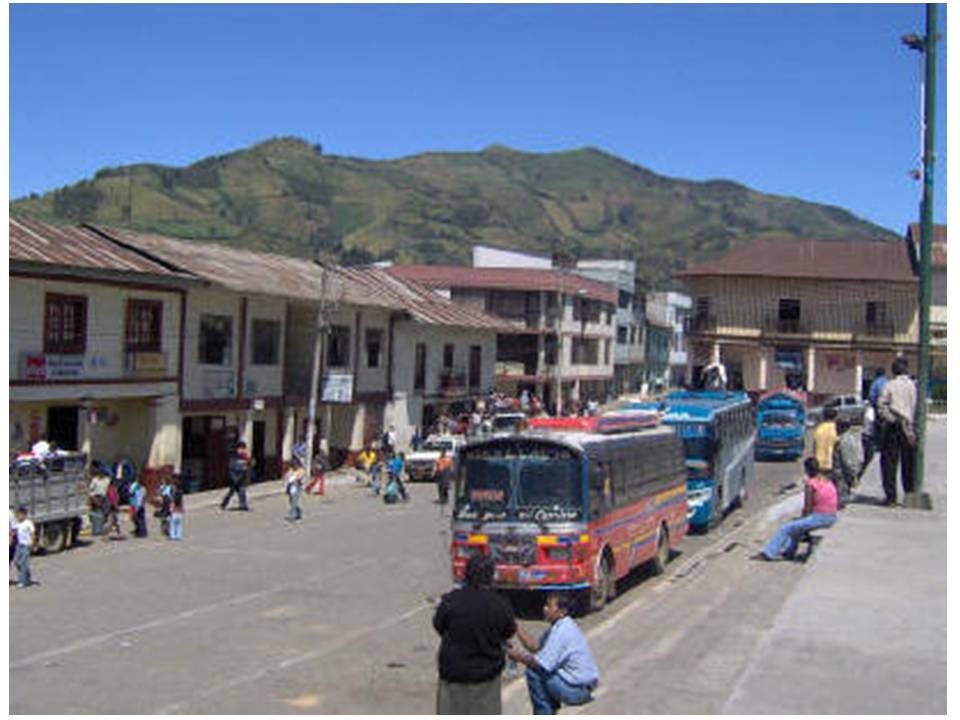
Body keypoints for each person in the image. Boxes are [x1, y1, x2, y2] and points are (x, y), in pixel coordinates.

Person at [432, 554, 517, 714]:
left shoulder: (451, 600)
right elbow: (508, 631)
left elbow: (439, 625)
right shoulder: (500, 605)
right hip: (486, 678)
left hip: (453, 675)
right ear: (491, 576)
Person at [507, 592, 600, 715]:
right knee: (540, 670)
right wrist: (516, 626)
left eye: (549, 606)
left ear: (562, 611)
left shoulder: (562, 632)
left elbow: (540, 663)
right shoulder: (559, 626)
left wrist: (517, 656)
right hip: (576, 686)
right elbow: (536, 647)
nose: (544, 609)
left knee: (534, 672)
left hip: (578, 690)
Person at [759, 457, 838, 561]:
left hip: (821, 517)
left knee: (786, 528)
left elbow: (808, 507)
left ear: (807, 470)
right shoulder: (826, 480)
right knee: (796, 527)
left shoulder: (811, 484)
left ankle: (769, 552)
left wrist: (803, 518)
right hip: (832, 515)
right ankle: (789, 552)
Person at [877, 357, 917, 506]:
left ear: (894, 371)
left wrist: (890, 418)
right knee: (908, 463)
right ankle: (909, 495)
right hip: (909, 426)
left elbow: (881, 405)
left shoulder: (889, 385)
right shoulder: (912, 386)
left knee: (889, 463)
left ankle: (891, 497)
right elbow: (915, 406)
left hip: (893, 426)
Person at [831, 417, 862, 508]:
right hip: (845, 471)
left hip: (842, 471)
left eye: (836, 427)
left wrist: (852, 473)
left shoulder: (844, 440)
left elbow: (846, 459)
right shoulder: (853, 437)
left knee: (841, 491)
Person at [221, 442, 251, 511]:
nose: (242, 451)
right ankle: (224, 503)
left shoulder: (245, 457)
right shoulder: (234, 457)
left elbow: (249, 465)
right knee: (231, 492)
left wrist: (248, 460)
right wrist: (233, 477)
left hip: (242, 478)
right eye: (240, 449)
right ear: (237, 449)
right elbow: (231, 467)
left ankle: (243, 505)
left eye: (243, 449)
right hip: (234, 478)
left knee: (242, 491)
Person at [812, 406, 838, 477]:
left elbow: (814, 446)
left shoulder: (819, 429)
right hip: (831, 463)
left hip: (819, 463)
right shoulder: (836, 429)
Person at [12, 506, 35, 588]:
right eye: (18, 515)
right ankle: (27, 575)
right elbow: (14, 532)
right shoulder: (17, 523)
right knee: (16, 562)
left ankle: (22, 581)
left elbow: (32, 534)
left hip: (26, 546)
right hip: (19, 546)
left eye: (20, 515)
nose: (19, 516)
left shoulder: (28, 523)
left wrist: (32, 544)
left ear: (25, 515)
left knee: (23, 563)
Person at [858, 403, 878, 481]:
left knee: (868, 457)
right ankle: (857, 476)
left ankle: (858, 475)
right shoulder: (871, 411)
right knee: (867, 457)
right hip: (868, 436)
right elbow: (871, 421)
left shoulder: (870, 410)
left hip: (868, 436)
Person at [284, 458, 305, 522]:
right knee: (291, 501)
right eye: (293, 465)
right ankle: (298, 512)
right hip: (291, 487)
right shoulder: (291, 470)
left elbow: (299, 478)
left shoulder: (301, 470)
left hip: (297, 487)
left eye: (296, 465)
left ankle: (292, 516)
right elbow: (287, 477)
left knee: (294, 501)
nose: (295, 466)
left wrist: (295, 479)